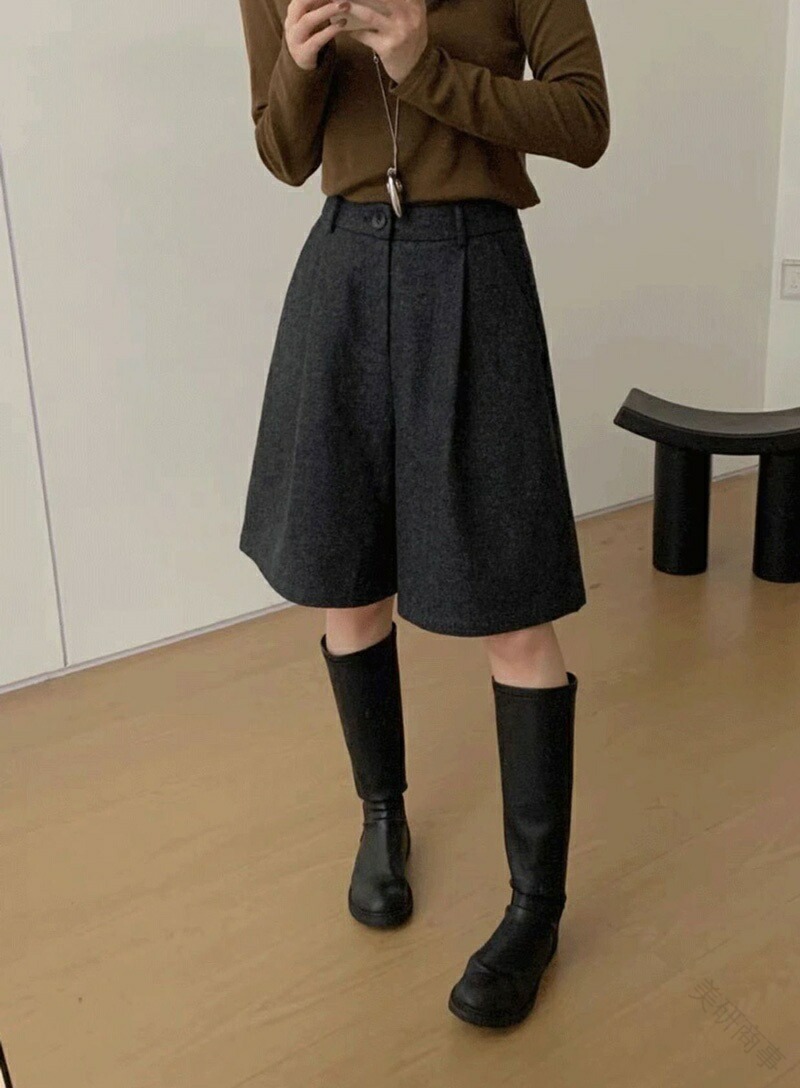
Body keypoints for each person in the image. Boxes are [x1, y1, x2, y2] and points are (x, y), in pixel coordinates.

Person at [236, 0, 610, 1029]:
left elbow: (584, 122)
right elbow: (281, 153)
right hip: (344, 275)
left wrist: (422, 64)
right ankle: (381, 817)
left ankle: (534, 910)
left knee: (514, 609)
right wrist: (301, 64)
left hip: (476, 269)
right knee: (347, 583)